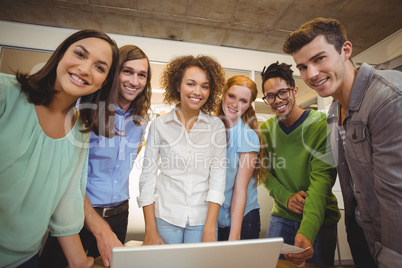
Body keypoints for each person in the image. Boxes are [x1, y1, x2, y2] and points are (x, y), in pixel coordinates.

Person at [283, 17, 402, 268]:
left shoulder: (388, 99)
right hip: (361, 232)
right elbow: (340, 180)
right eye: (302, 66)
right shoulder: (333, 115)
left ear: (345, 50)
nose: (311, 74)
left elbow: (396, 196)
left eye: (319, 59)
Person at [0, 29, 119, 268]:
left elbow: (66, 196)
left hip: (25, 258)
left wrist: (78, 260)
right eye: (79, 54)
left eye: (99, 67)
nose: (85, 69)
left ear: (103, 83)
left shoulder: (80, 129)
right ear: (60, 54)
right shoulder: (6, 92)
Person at [38, 45, 152, 267]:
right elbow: (66, 174)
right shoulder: (84, 109)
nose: (134, 81)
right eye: (127, 71)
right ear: (113, 73)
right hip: (78, 212)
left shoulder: (141, 119)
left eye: (142, 75)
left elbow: (131, 157)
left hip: (119, 215)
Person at [137, 55, 227, 245]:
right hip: (166, 216)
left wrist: (210, 228)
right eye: (191, 84)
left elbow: (218, 176)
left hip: (202, 219)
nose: (198, 91)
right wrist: (150, 229)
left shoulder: (216, 126)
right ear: (178, 85)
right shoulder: (160, 125)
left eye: (205, 86)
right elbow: (148, 176)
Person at [259, 62, 340, 266]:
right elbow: (264, 173)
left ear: (294, 90)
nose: (277, 101)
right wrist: (286, 198)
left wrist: (307, 230)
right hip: (281, 217)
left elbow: (322, 182)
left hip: (318, 219)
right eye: (270, 96)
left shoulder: (320, 125)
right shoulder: (266, 129)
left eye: (282, 92)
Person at [214, 75, 267, 241]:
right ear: (223, 94)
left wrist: (234, 236)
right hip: (216, 217)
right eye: (231, 96)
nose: (235, 105)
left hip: (242, 220)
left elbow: (240, 190)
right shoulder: (211, 128)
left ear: (249, 105)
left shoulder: (247, 136)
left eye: (243, 101)